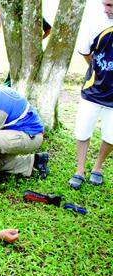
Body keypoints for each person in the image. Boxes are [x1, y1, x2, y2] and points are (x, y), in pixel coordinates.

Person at [68, 0, 113, 190]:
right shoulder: (95, 23)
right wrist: (99, 71)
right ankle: (80, 170)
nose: (105, 9)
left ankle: (97, 167)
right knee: (82, 131)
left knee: (111, 137)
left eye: (110, 5)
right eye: (104, 4)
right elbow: (86, 53)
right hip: (93, 91)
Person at [4, 18, 52, 87]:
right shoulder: (16, 15)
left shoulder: (38, 17)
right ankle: (9, 85)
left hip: (31, 50)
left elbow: (48, 30)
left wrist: (38, 41)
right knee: (15, 68)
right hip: (18, 49)